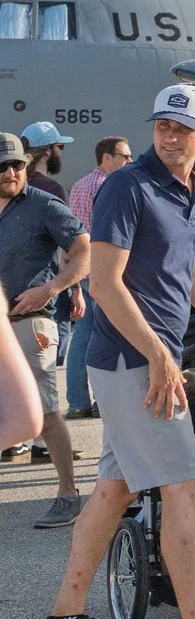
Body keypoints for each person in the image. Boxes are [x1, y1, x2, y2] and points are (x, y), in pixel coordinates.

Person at [34, 84, 195, 619]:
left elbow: (181, 268)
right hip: (131, 362)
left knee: (116, 490)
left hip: (142, 360)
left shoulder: (192, 190)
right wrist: (161, 356)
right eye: (162, 125)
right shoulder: (128, 186)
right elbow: (106, 284)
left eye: (181, 129)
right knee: (186, 488)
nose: (168, 137)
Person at [1, 133, 91, 526]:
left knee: (45, 410)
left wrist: (53, 288)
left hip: (29, 323)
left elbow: (85, 251)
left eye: (16, 165)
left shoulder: (43, 205)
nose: (9, 172)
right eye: (1, 166)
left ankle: (69, 495)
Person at [62, 137, 130, 420]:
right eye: (124, 156)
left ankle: (78, 402)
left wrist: (74, 283)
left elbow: (71, 240)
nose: (129, 161)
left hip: (83, 272)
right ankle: (105, 400)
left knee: (81, 340)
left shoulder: (79, 185)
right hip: (105, 273)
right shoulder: (108, 187)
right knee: (112, 338)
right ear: (106, 157)